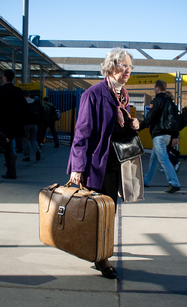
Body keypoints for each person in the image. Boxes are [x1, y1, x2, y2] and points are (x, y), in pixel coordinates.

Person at [68, 48, 142, 279]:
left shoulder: (122, 95)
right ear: (110, 67)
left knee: (109, 210)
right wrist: (78, 167)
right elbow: (82, 133)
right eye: (123, 66)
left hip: (117, 161)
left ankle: (98, 250)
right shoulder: (93, 94)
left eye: (130, 66)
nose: (128, 70)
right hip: (98, 164)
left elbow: (116, 124)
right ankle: (101, 258)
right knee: (101, 212)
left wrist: (131, 123)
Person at [139, 79, 181, 193]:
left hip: (159, 134)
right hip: (167, 135)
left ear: (157, 88)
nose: (154, 89)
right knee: (154, 158)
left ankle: (174, 183)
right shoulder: (170, 102)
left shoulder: (157, 101)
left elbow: (150, 117)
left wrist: (139, 127)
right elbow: (175, 119)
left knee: (163, 159)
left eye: (154, 87)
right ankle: (147, 180)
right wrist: (175, 136)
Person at [0, 69, 24, 179]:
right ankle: (11, 169)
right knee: (11, 145)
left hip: (5, 123)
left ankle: (11, 171)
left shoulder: (1, 90)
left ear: (5, 77)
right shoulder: (18, 91)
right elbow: (22, 108)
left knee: (8, 147)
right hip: (15, 123)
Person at [22, 91, 43, 161]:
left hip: (25, 123)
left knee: (25, 139)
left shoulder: (22, 103)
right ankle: (37, 150)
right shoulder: (35, 103)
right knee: (33, 139)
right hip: (34, 123)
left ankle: (26, 155)